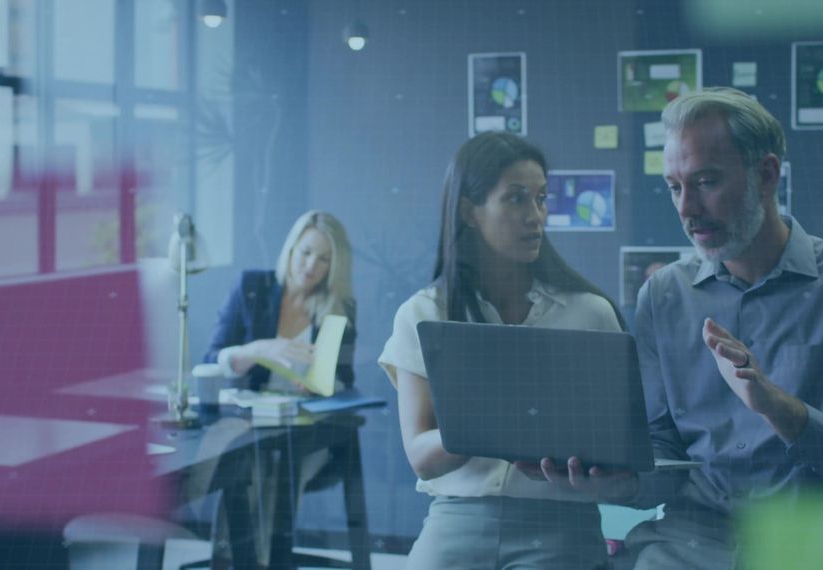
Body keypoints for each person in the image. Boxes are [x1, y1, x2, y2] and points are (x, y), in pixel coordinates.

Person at [525, 88, 823, 569]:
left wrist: (777, 408)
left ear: (766, 175)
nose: (687, 208)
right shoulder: (664, 295)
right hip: (691, 542)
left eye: (706, 182)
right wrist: (613, 483)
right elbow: (663, 453)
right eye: (674, 187)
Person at [378, 131, 627, 569]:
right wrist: (513, 419)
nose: (536, 216)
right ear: (469, 211)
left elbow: (620, 460)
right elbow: (421, 458)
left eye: (541, 198)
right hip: (456, 517)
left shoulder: (591, 314)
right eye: (516, 199)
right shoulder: (423, 314)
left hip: (561, 519)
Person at [201, 209, 356, 565]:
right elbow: (211, 359)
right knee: (246, 465)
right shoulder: (252, 287)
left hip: (306, 432)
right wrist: (257, 349)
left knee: (281, 466)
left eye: (324, 259)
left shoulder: (337, 308)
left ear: (334, 266)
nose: (310, 266)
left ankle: (267, 561)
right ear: (291, 248)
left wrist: (321, 384)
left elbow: (345, 380)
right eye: (305, 252)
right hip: (251, 424)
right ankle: (232, 562)